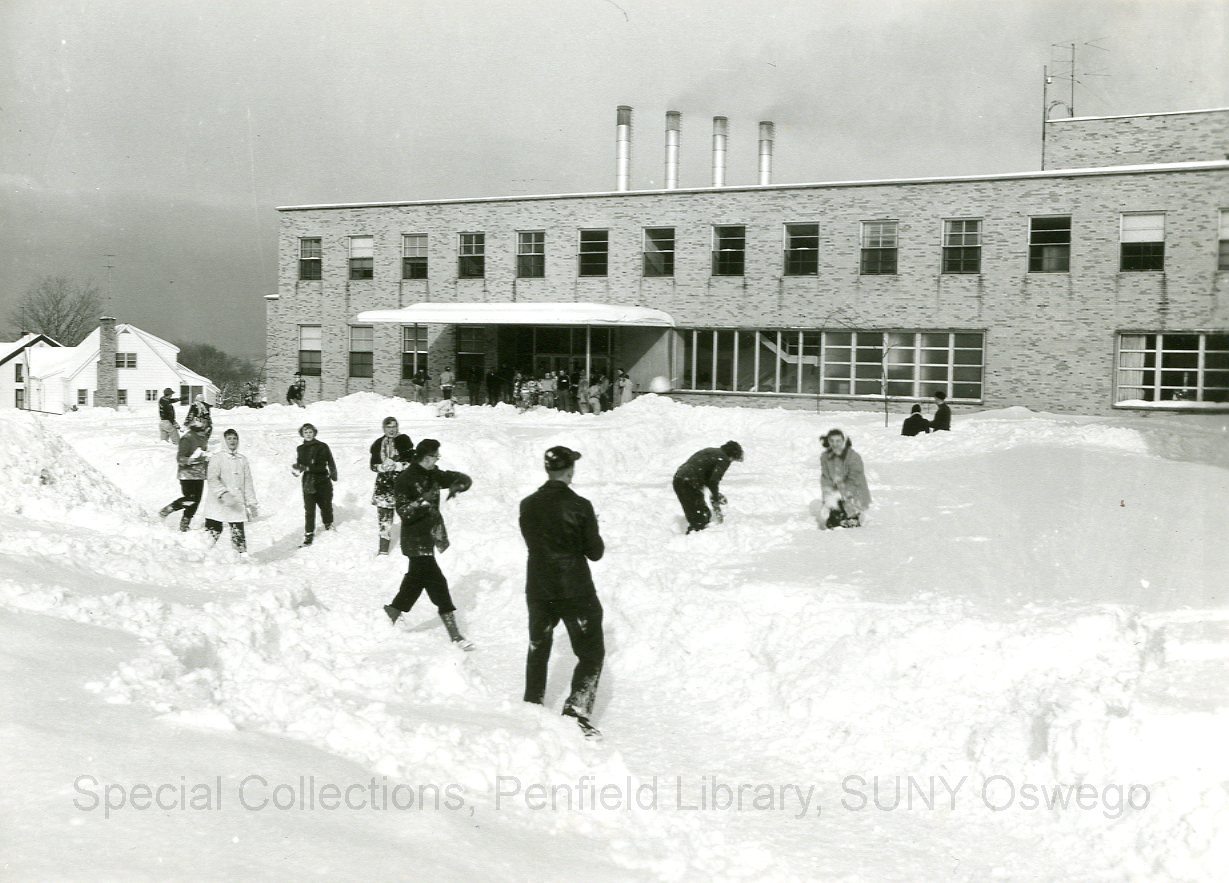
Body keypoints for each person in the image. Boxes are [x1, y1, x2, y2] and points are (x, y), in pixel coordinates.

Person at [519, 446, 606, 739]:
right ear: (570, 471)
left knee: (538, 646)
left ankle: (532, 704)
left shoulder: (527, 505)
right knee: (591, 651)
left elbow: (535, 541)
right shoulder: (580, 505)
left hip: (539, 585)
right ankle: (576, 712)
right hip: (574, 587)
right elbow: (595, 552)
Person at [382, 439, 474, 650]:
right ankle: (455, 635)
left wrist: (459, 484)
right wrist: (421, 502)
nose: (437, 460)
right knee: (437, 583)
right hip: (415, 539)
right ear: (425, 457)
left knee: (415, 581)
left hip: (429, 537)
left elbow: (460, 478)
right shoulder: (405, 479)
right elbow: (403, 512)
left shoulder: (433, 474)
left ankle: (393, 611)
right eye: (435, 456)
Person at [201, 428, 258, 553]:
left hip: (236, 502)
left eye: (235, 438)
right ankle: (201, 555)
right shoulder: (217, 458)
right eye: (229, 438)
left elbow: (248, 482)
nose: (232, 441)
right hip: (217, 502)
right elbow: (212, 478)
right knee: (212, 533)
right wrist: (223, 493)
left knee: (238, 533)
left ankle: (241, 557)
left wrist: (252, 503)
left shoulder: (242, 460)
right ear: (224, 441)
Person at [672, 440, 743, 533]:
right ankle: (693, 539)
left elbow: (706, 475)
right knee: (700, 518)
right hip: (690, 483)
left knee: (699, 513)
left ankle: (694, 534)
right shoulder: (723, 459)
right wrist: (715, 497)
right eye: (734, 459)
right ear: (732, 455)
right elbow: (713, 481)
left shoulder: (710, 451)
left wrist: (715, 494)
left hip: (679, 480)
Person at [369, 417, 413, 556]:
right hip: (384, 485)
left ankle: (409, 547)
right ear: (384, 428)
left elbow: (413, 462)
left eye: (394, 426)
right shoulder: (378, 444)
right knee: (384, 519)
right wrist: (381, 467)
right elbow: (372, 465)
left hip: (402, 483)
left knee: (408, 516)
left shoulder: (404, 441)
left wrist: (398, 465)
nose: (391, 430)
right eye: (388, 427)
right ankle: (383, 550)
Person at [159, 420, 211, 531]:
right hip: (187, 475)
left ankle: (185, 523)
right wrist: (190, 460)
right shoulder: (187, 438)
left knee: (196, 501)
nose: (206, 431)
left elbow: (203, 456)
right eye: (204, 428)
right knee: (190, 499)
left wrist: (207, 462)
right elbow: (180, 458)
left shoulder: (203, 438)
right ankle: (168, 509)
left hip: (199, 475)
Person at [292, 422, 337, 546]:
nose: (308, 434)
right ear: (302, 434)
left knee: (326, 505)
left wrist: (333, 473)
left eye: (310, 432)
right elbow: (300, 463)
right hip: (308, 482)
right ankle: (309, 534)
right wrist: (296, 469)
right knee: (309, 509)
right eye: (305, 432)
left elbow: (328, 462)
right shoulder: (300, 448)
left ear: (314, 433)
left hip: (322, 480)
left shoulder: (322, 446)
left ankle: (328, 525)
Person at [819, 428, 872, 529]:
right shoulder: (825, 457)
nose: (835, 444)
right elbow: (825, 478)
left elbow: (855, 479)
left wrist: (841, 493)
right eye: (832, 441)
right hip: (837, 494)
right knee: (832, 524)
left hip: (854, 494)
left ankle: (853, 517)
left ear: (843, 441)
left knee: (849, 522)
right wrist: (828, 495)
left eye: (838, 441)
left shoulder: (853, 457)